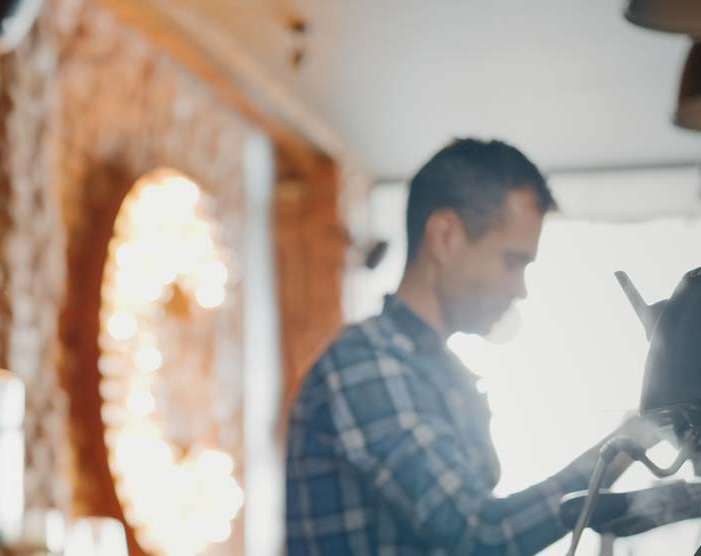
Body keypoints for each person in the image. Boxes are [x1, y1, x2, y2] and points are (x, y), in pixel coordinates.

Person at [283, 138, 669, 554]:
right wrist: (634, 438)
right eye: (512, 261)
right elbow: (478, 536)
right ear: (445, 236)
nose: (519, 289)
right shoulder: (365, 362)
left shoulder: (441, 372)